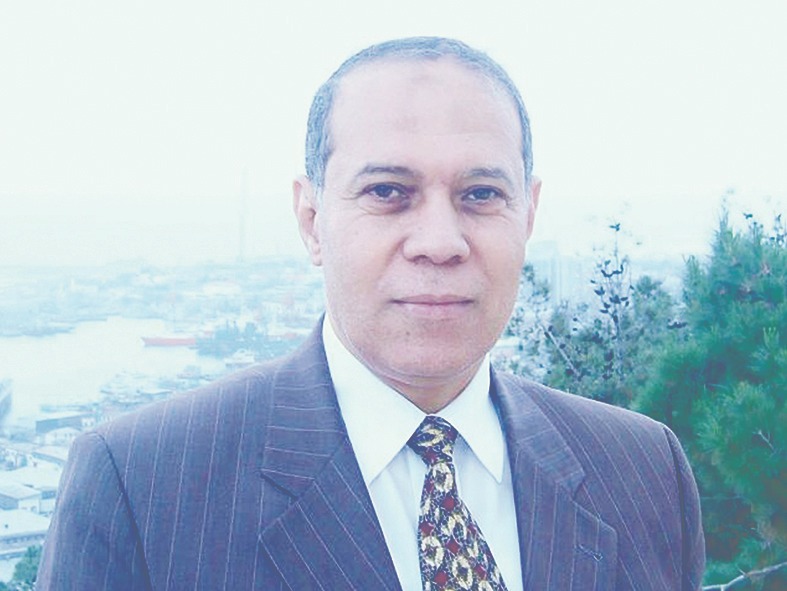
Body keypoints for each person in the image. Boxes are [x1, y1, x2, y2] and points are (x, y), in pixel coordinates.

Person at [37, 37, 705, 590]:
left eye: (479, 194)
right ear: (311, 219)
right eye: (388, 191)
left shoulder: (642, 470)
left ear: (527, 215)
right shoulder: (143, 487)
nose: (439, 241)